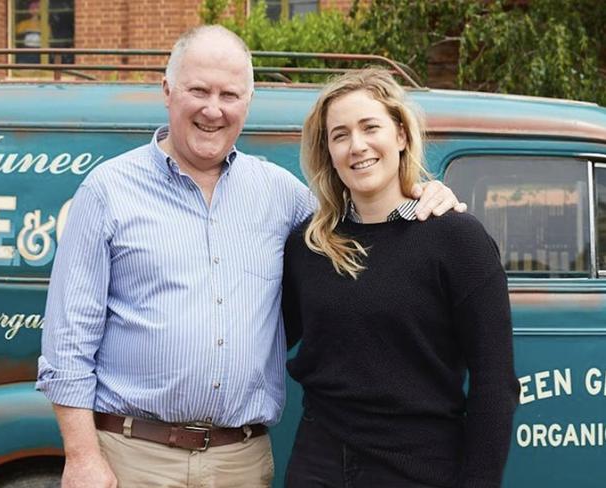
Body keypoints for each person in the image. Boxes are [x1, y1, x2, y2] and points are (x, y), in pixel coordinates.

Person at [36, 26, 465, 488]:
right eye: (198, 90)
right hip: (134, 458)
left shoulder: (280, 194)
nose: (213, 109)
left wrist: (422, 194)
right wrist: (81, 457)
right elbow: (67, 344)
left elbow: (364, 219)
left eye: (229, 94)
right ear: (167, 92)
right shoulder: (107, 192)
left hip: (241, 461)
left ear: (247, 102)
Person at [282, 68, 520, 488]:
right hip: (317, 466)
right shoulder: (308, 247)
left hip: (420, 468)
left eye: (370, 127)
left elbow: (495, 383)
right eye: (340, 135)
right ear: (329, 152)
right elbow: (262, 335)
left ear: (401, 136)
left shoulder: (457, 239)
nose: (357, 146)